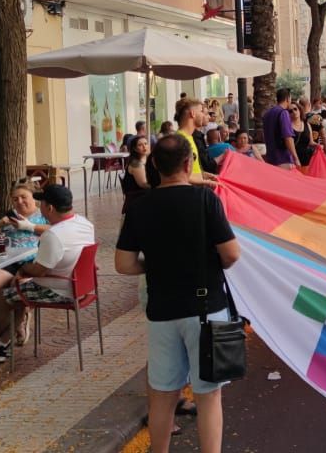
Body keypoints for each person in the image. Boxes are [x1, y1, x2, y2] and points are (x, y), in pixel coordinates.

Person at [116, 134, 240, 453]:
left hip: (161, 310)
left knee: (162, 396)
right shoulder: (205, 201)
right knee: (209, 395)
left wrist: (157, 264)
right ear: (188, 164)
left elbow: (124, 264)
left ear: (155, 165)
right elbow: (231, 254)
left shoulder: (140, 208)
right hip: (206, 309)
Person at [0, 185, 95, 363]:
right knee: (15, 293)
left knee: (4, 296)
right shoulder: (85, 223)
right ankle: (1, 342)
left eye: (41, 203)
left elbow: (40, 270)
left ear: (49, 208)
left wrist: (24, 268)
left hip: (58, 289)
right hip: (80, 284)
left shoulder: (54, 235)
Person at [173, 99, 219, 187]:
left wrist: (203, 174)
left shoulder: (190, 137)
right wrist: (205, 182)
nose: (205, 115)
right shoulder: (179, 140)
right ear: (193, 113)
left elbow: (191, 170)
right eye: (201, 111)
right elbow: (177, 175)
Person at [262, 88, 299, 170]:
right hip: (283, 159)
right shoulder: (283, 113)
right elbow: (288, 137)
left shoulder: (267, 114)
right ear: (287, 99)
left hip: (270, 158)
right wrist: (295, 158)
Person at [122, 135, 158, 211]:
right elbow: (143, 184)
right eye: (140, 145)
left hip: (144, 195)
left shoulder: (148, 160)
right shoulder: (136, 164)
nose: (144, 147)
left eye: (145, 143)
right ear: (135, 148)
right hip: (138, 198)